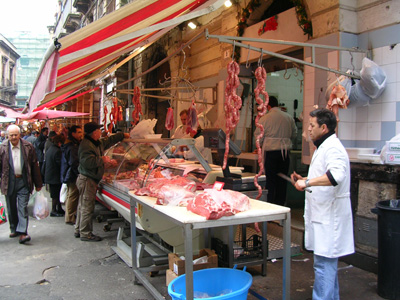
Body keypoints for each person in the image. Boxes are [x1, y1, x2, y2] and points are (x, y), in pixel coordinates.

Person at [291, 108, 354, 300]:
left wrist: (308, 182)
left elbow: (335, 176)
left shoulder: (333, 147)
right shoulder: (324, 146)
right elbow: (325, 175)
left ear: (324, 127)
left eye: (312, 125)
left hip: (330, 217)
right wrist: (305, 178)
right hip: (324, 215)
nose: (308, 129)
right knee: (326, 266)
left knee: (324, 266)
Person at [75, 122, 129, 242]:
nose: (101, 132)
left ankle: (79, 229)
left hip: (89, 179)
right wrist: (102, 159)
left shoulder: (96, 142)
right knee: (86, 207)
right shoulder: (86, 145)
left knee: (82, 206)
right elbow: (87, 162)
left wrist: (122, 135)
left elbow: (108, 141)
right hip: (87, 179)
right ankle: (85, 233)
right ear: (94, 132)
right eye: (99, 130)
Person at [0, 124, 42, 244]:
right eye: (11, 135)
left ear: (20, 134)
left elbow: (34, 165)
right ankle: (14, 228)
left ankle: (23, 232)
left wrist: (38, 183)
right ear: (7, 136)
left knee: (22, 207)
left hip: (23, 181)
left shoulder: (28, 146)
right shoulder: (2, 148)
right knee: (11, 206)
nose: (13, 137)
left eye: (15, 135)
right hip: (9, 181)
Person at [254, 96, 297, 206]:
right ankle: (281, 204)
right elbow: (294, 134)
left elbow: (258, 136)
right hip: (285, 153)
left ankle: (270, 205)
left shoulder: (265, 119)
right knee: (282, 179)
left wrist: (258, 147)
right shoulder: (288, 117)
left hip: (270, 153)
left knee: (270, 180)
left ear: (268, 106)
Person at [61, 125, 83, 225]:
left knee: (71, 195)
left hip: (69, 173)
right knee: (72, 196)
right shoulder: (72, 146)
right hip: (72, 174)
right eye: (78, 132)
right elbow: (73, 162)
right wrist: (79, 173)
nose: (81, 134)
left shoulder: (72, 144)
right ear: (73, 134)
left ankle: (70, 215)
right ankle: (69, 217)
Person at [44, 134, 66, 217]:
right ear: (59, 142)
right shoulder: (57, 151)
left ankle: (59, 208)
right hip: (54, 176)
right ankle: (53, 210)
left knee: (56, 193)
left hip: (50, 175)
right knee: (55, 194)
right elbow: (59, 163)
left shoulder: (51, 149)